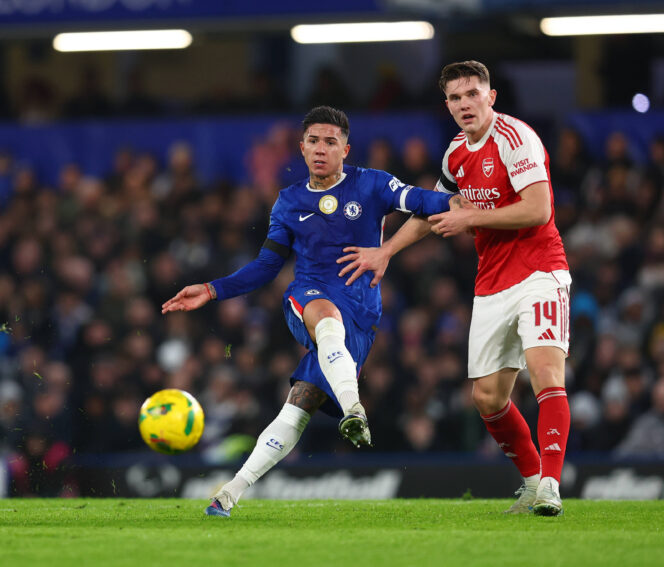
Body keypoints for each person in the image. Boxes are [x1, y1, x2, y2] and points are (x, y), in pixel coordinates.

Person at [161, 106, 467, 517]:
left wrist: (462, 202)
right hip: (309, 293)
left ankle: (229, 493)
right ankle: (354, 409)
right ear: (301, 148)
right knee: (325, 318)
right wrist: (213, 290)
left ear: (346, 148)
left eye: (330, 141)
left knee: (299, 403)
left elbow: (421, 200)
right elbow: (267, 266)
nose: (321, 149)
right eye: (313, 141)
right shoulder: (288, 202)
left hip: (362, 312)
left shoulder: (372, 184)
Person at [339, 61, 571, 516]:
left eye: (472, 94)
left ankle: (551, 484)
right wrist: (386, 251)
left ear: (491, 96)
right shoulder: (454, 155)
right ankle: (530, 483)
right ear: (446, 104)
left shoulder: (515, 138)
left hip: (541, 271)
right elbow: (432, 211)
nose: (465, 104)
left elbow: (539, 209)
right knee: (487, 398)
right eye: (455, 97)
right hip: (492, 281)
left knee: (546, 376)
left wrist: (472, 217)